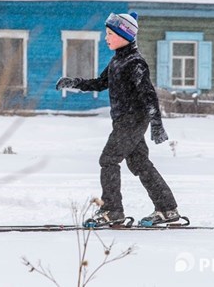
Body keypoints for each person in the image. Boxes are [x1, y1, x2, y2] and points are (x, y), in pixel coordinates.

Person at [55, 12, 179, 226]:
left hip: (132, 120)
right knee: (140, 164)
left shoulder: (135, 63)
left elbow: (149, 96)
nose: (106, 38)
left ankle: (112, 210)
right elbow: (100, 83)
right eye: (107, 33)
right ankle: (167, 209)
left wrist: (157, 125)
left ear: (125, 35)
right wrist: (74, 82)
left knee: (108, 160)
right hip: (125, 122)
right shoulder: (117, 62)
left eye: (110, 33)